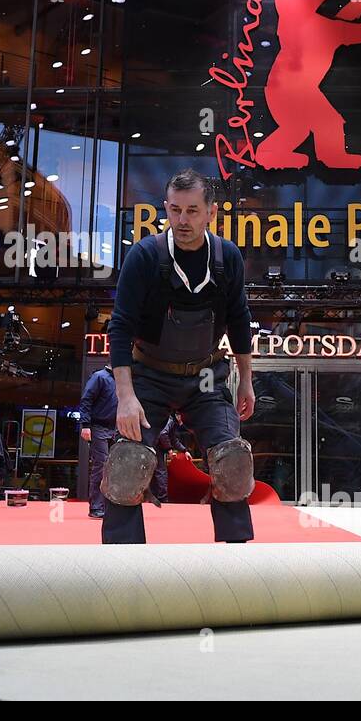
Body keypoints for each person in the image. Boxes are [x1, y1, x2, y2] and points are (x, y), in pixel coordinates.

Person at [102, 168, 256, 544]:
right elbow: (120, 327)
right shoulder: (143, 256)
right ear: (166, 209)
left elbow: (239, 321)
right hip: (149, 377)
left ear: (211, 213)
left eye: (191, 211)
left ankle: (237, 569)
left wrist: (246, 381)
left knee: (232, 462)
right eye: (174, 210)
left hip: (205, 377)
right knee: (126, 465)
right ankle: (122, 572)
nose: (182, 220)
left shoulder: (228, 258)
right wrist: (125, 397)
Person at [79, 365, 118, 517]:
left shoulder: (121, 380)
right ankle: (96, 506)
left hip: (114, 428)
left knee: (113, 468)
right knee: (101, 466)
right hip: (98, 427)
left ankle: (108, 506)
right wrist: (86, 425)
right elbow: (86, 399)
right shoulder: (99, 377)